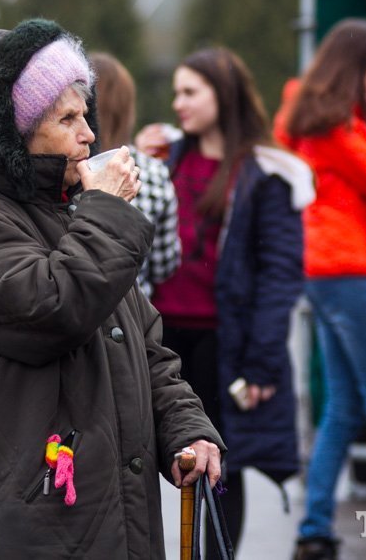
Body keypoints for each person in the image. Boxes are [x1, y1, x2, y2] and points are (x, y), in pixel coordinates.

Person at [0, 19, 224, 557]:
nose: (89, 134)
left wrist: (185, 427)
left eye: (85, 114)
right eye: (66, 119)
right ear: (12, 133)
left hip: (90, 509)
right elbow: (56, 310)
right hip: (24, 521)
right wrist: (106, 209)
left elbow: (142, 344)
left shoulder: (70, 214)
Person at [135, 47, 311, 557]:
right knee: (148, 463)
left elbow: (279, 275)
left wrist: (261, 362)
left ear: (223, 95)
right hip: (161, 339)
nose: (178, 103)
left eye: (190, 92)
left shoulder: (265, 172)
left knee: (217, 471)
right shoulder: (166, 157)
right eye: (176, 92)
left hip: (222, 345)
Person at [273, 18, 366, 560]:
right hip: (349, 272)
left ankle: (315, 528)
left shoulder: (313, 117)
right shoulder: (339, 128)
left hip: (324, 272)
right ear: (357, 67)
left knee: (342, 405)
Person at [89, 51, 181, 297]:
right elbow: (164, 265)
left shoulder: (72, 167)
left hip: (77, 299)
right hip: (134, 306)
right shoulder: (151, 171)